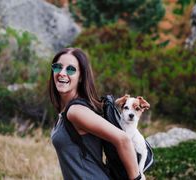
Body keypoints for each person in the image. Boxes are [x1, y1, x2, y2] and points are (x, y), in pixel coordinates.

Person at [49, 48, 141, 180]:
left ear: (81, 77)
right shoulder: (67, 111)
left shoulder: (75, 111)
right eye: (58, 67)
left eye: (70, 69)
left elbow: (123, 139)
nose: (62, 73)